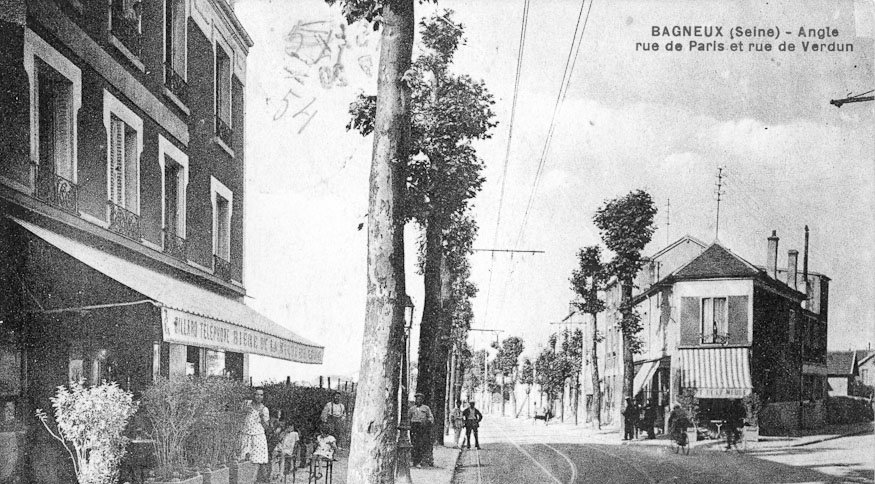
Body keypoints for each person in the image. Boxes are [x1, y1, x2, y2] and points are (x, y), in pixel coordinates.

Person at [240, 387, 270, 482]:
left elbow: (266, 427)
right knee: (243, 457)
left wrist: (262, 418)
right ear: (253, 395)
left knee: (257, 460)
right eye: (257, 394)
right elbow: (239, 416)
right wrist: (244, 411)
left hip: (258, 436)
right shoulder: (247, 404)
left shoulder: (264, 409)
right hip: (246, 434)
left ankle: (253, 480)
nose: (259, 396)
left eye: (261, 395)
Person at [408, 393, 434, 467]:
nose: (418, 401)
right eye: (417, 399)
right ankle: (414, 460)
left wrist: (427, 421)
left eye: (420, 399)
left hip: (422, 428)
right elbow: (408, 418)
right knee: (413, 444)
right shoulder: (412, 409)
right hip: (414, 427)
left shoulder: (426, 408)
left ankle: (419, 461)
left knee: (420, 444)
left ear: (422, 400)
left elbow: (431, 417)